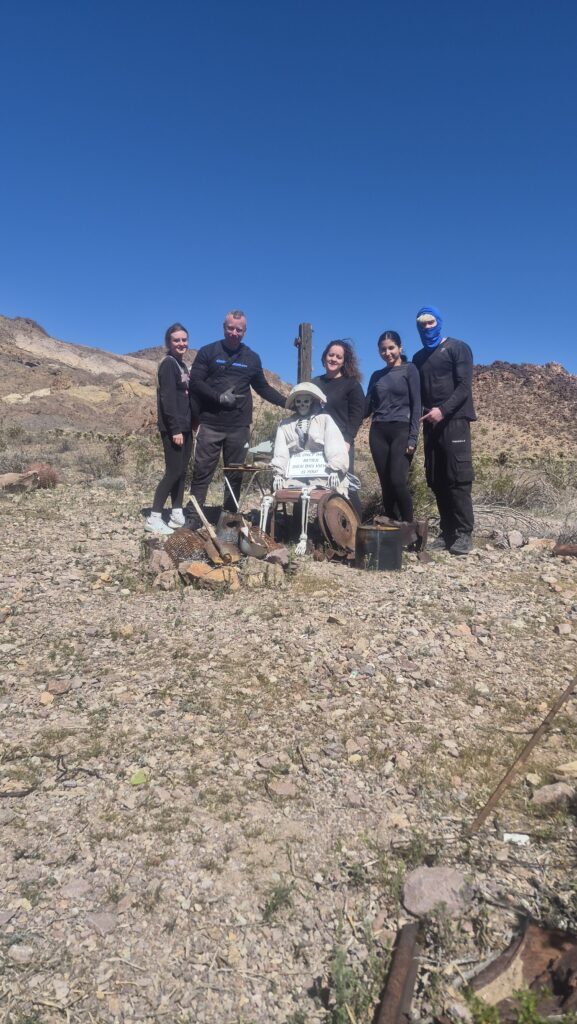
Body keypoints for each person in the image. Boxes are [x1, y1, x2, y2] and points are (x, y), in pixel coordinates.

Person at [187, 310, 286, 515]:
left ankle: (229, 517)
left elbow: (263, 388)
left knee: (234, 475)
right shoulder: (208, 352)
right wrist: (218, 397)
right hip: (211, 423)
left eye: (238, 330)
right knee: (202, 472)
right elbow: (195, 382)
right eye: (230, 328)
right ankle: (193, 516)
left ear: (245, 331)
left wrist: (288, 402)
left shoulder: (252, 358)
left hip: (238, 426)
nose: (234, 333)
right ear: (223, 328)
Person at [412, 305, 476, 555]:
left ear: (439, 322)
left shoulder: (457, 348)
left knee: (457, 476)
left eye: (430, 322)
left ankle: (464, 533)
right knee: (437, 477)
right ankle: (447, 532)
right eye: (422, 324)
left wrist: (443, 410)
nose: (427, 327)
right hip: (430, 424)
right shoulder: (418, 359)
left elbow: (463, 387)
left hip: (455, 420)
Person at [365, 331, 421, 523]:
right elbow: (367, 407)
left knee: (397, 480)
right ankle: (390, 525)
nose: (387, 353)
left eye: (391, 348)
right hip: (378, 431)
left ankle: (408, 526)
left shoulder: (410, 369)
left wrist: (413, 437)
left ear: (400, 348)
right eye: (383, 349)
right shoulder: (376, 376)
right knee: (386, 483)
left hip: (402, 430)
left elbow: (417, 406)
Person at [145, 323, 195, 535]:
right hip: (173, 428)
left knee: (182, 472)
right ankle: (154, 517)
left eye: (184, 339)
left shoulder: (182, 365)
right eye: (176, 340)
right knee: (173, 471)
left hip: (185, 427)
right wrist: (174, 429)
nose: (181, 343)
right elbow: (167, 399)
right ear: (168, 342)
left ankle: (176, 513)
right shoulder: (168, 364)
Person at [312, 339, 365, 516]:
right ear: (325, 356)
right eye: (331, 355)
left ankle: (358, 530)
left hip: (341, 444)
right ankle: (318, 529)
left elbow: (356, 415)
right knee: (314, 485)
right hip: (316, 444)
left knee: (345, 486)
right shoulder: (315, 383)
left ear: (344, 361)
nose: (333, 359)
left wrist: (348, 440)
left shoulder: (351, 384)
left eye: (338, 356)